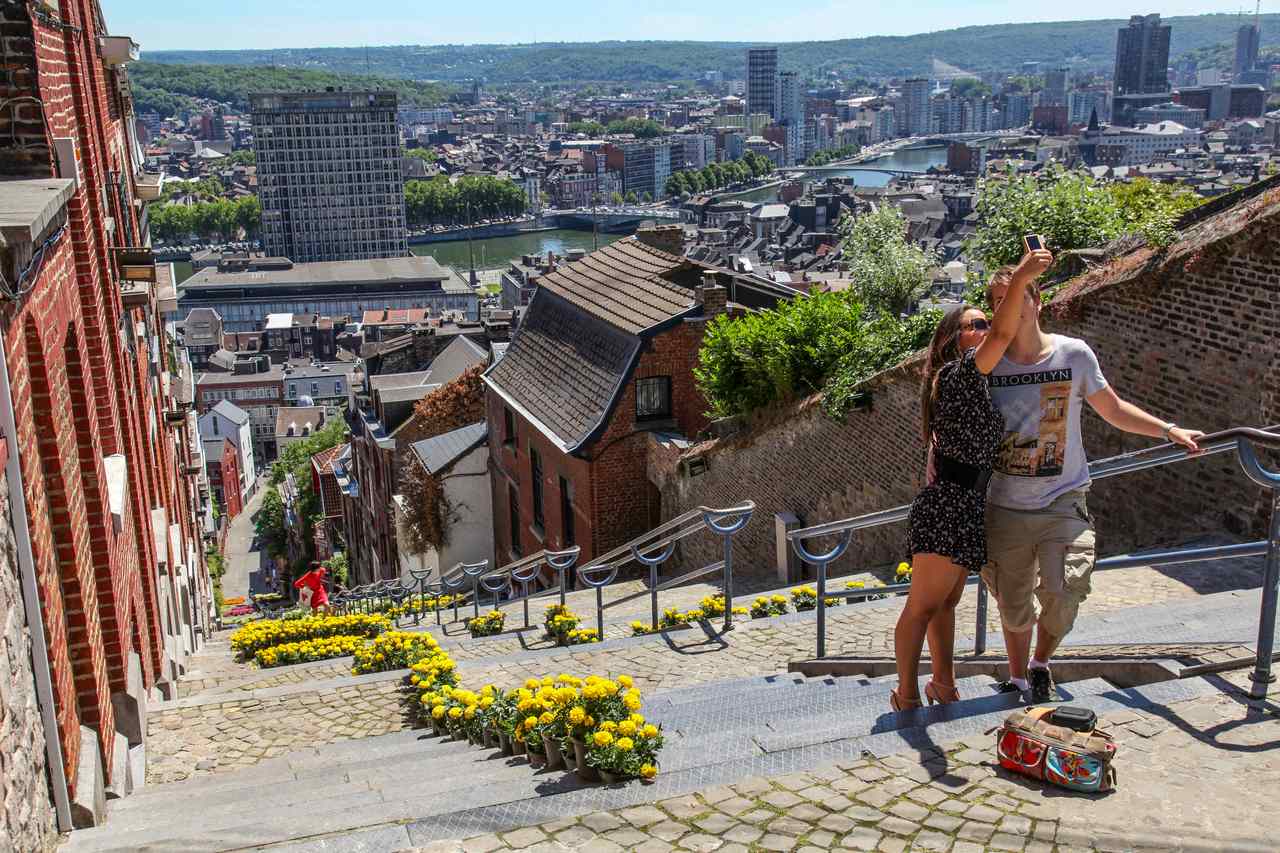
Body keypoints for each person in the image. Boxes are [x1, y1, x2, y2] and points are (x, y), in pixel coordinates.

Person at [982, 264, 1205, 703]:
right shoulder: (988, 366)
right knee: (1012, 603)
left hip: (1063, 500)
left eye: (1019, 295)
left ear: (1038, 300)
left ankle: (1040, 664)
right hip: (1005, 504)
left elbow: (1113, 408)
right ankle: (1020, 679)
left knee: (1065, 590)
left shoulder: (1073, 355)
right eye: (999, 301)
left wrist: (1167, 429)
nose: (1011, 306)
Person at [892, 248, 1053, 711]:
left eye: (984, 324)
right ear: (952, 339)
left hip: (966, 503)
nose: (985, 330)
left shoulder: (967, 379)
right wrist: (1021, 276)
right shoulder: (960, 373)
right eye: (975, 325)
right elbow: (1006, 331)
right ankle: (905, 694)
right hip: (948, 504)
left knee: (945, 606)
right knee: (921, 607)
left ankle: (943, 685)